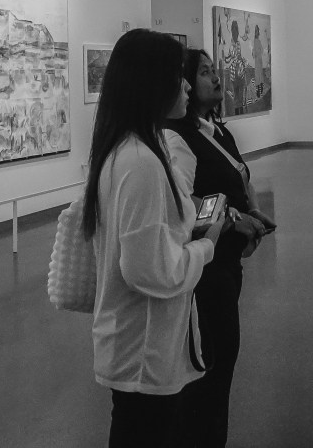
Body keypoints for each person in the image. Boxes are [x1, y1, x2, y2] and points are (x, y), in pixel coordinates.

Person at [81, 29, 226, 448]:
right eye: (176, 75)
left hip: (135, 345)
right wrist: (207, 244)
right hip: (143, 350)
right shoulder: (141, 162)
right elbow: (150, 270)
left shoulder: (125, 152)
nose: (186, 85)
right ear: (150, 83)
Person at [166, 48, 276, 447]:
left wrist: (253, 212)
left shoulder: (218, 131)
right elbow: (183, 203)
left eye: (215, 70)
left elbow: (239, 176)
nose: (215, 78)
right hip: (204, 267)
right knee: (212, 362)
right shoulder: (178, 137)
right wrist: (232, 219)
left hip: (226, 261)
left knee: (222, 359)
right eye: (205, 72)